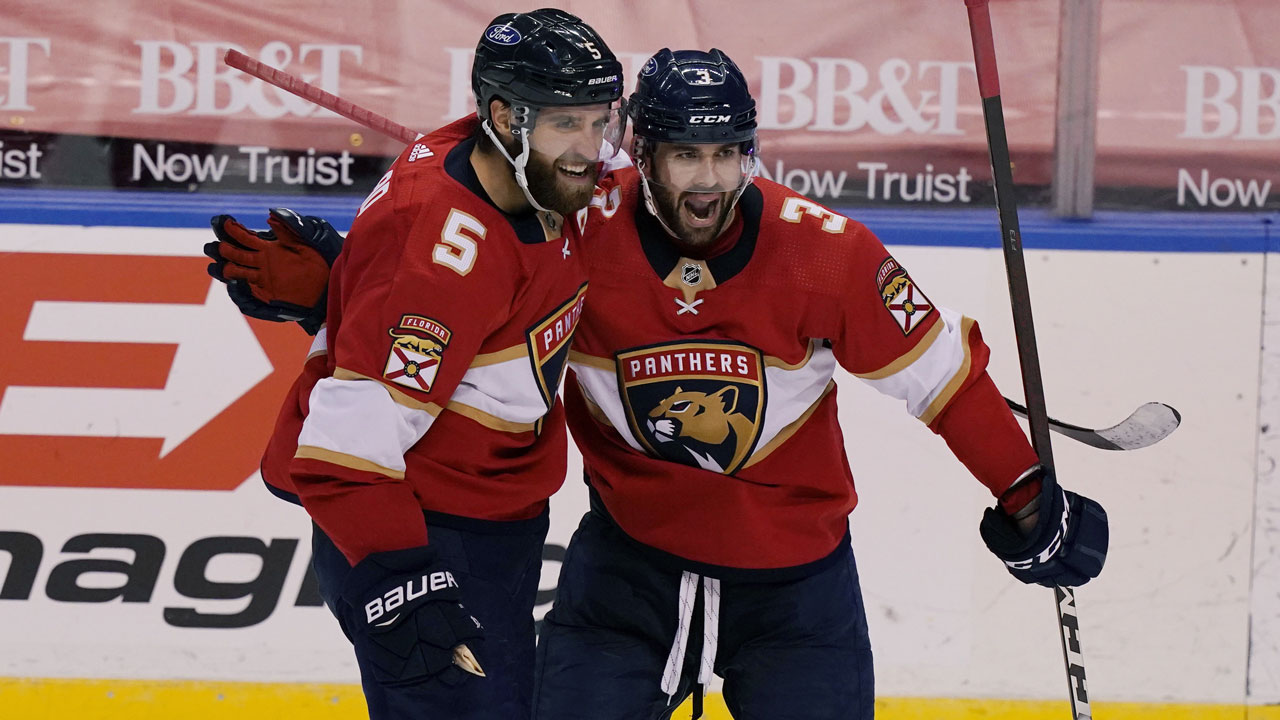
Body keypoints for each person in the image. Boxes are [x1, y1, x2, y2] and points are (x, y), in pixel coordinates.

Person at [207, 48, 1108, 720]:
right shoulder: (573, 231)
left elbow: (943, 381)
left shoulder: (827, 255)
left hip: (794, 588)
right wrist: (341, 289)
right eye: (685, 157)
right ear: (643, 152)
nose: (709, 181)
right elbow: (463, 315)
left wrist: (1027, 495)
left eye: (728, 156)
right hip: (626, 572)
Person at [206, 9, 626, 720]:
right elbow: (342, 460)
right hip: (425, 531)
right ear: (502, 115)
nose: (591, 148)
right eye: (566, 125)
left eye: (598, 121)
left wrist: (345, 291)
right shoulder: (440, 260)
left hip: (494, 516)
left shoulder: (509, 165)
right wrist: (404, 581)